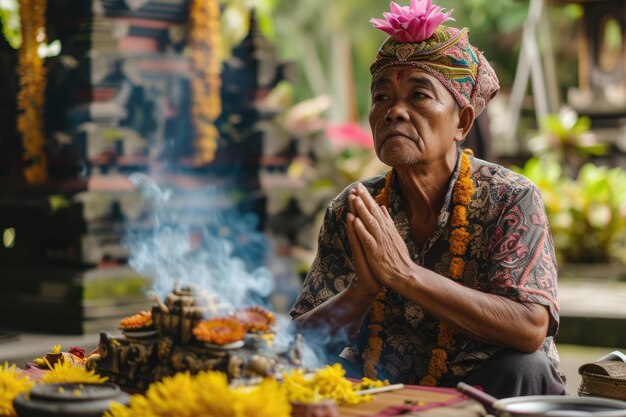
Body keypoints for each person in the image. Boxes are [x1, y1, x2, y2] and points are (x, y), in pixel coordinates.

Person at [289, 0, 565, 398]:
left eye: (418, 95)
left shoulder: (510, 197)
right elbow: (295, 341)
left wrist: (404, 274)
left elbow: (529, 327)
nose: (394, 112)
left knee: (526, 366)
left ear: (462, 122)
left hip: (485, 387)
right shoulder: (354, 208)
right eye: (381, 97)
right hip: (380, 382)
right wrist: (362, 291)